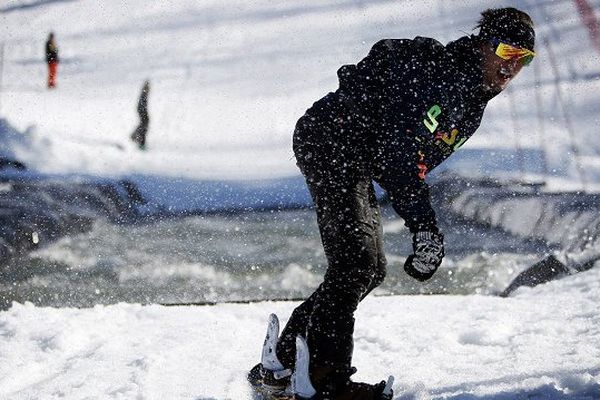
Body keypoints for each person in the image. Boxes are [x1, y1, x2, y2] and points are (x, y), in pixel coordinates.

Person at [249, 7, 536, 400]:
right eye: (506, 52)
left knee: (370, 269)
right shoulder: (445, 79)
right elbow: (398, 157)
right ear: (485, 45)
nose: (511, 67)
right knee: (355, 265)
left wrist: (421, 218)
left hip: (357, 156)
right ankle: (323, 384)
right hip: (330, 143)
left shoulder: (473, 99)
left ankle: (281, 365)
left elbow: (409, 165)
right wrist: (423, 225)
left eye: (523, 59)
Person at [130, 80, 151, 150]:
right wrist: (144, 112)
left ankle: (135, 136)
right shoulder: (144, 93)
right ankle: (141, 142)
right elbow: (141, 105)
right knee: (144, 125)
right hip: (142, 110)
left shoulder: (144, 93)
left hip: (142, 110)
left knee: (144, 124)